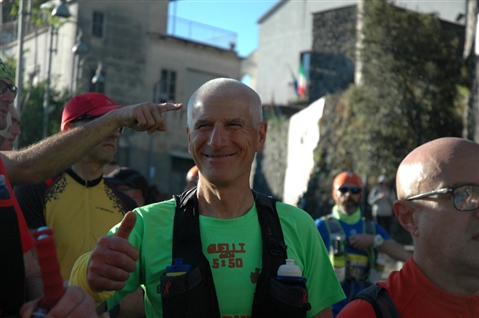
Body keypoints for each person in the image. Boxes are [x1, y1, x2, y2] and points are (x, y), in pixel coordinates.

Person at [69, 78, 345, 318]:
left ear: (260, 136)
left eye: (234, 125)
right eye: (204, 126)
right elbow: (74, 302)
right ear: (189, 138)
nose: (217, 140)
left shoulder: (298, 227)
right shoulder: (143, 225)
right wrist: (91, 275)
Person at [0, 58, 181, 316]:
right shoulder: (33, 190)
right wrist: (53, 308)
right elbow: (31, 271)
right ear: (70, 130)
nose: (115, 131)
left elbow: (131, 291)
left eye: (116, 125)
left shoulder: (127, 205)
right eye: (101, 121)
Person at [338, 137, 479, 317]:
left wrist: (375, 240)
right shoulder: (367, 314)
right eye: (464, 194)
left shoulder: (370, 227)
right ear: (409, 217)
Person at [315, 171, 411, 317]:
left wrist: (374, 240)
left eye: (354, 190)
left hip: (365, 309)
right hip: (330, 310)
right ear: (334, 194)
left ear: (361, 195)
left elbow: (404, 255)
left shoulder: (371, 229)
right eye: (343, 190)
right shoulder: (320, 227)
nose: (348, 195)